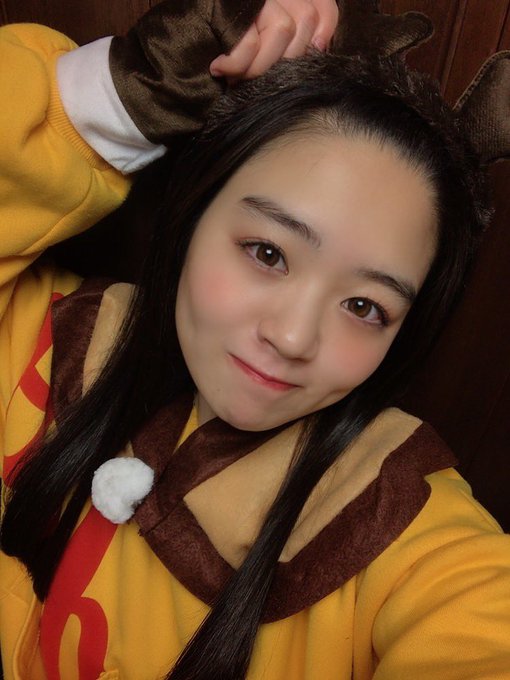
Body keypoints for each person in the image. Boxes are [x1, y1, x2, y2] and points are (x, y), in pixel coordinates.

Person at [1, 2, 509, 679]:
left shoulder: (395, 517)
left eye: (364, 306)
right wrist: (126, 92)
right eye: (268, 253)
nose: (293, 337)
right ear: (193, 214)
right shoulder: (46, 333)